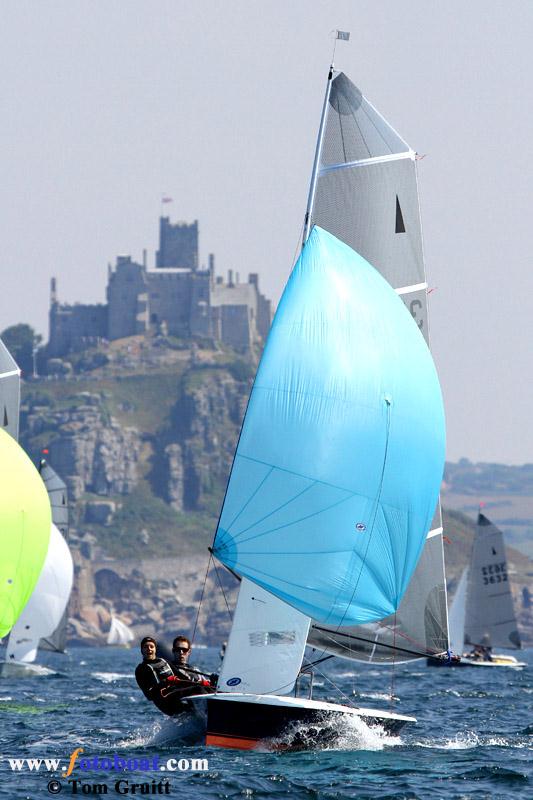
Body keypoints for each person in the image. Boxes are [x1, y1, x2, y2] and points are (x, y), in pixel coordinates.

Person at [134, 636, 205, 717]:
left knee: (202, 687)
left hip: (176, 694)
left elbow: (182, 677)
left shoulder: (163, 661)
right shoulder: (141, 669)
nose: (149, 649)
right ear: (141, 650)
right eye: (145, 647)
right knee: (198, 689)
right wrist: (166, 682)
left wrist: (200, 683)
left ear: (155, 649)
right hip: (166, 701)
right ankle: (211, 713)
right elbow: (149, 695)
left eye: (151, 646)